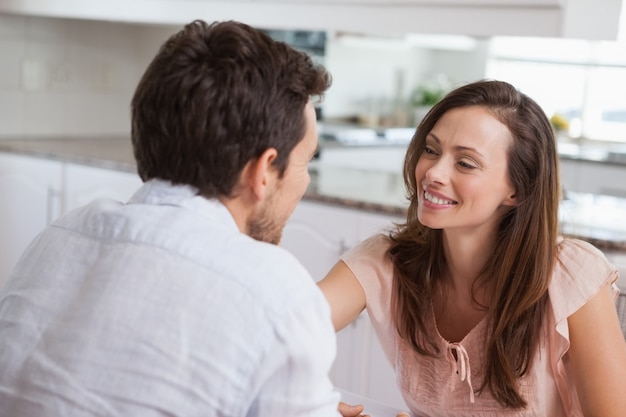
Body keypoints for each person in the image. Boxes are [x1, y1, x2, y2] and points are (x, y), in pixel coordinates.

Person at [0, 19, 341, 417]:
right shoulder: (277, 291)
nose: (305, 182)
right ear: (263, 171)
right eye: (305, 162)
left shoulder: (59, 237)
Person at [320, 79, 626, 416]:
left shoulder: (570, 276)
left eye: (465, 163)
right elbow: (280, 326)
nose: (433, 172)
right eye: (431, 150)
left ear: (517, 190)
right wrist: (308, 402)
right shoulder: (385, 260)